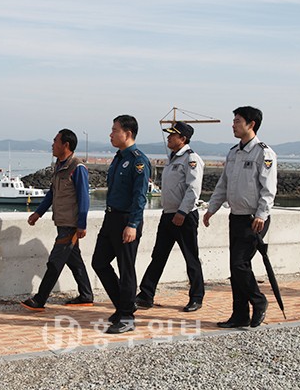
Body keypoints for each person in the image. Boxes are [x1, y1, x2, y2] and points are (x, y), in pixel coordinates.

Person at [203, 106, 277, 328]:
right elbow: (223, 184)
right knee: (235, 268)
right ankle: (240, 315)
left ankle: (259, 300)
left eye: (237, 121)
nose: (233, 125)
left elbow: (269, 189)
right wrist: (212, 208)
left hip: (254, 218)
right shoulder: (234, 152)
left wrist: (261, 214)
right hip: (235, 216)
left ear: (251, 124)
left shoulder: (263, 153)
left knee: (240, 264)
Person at [20, 129, 93, 311]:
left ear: (65, 145)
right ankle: (86, 295)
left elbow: (84, 198)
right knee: (74, 260)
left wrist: (82, 224)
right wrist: (38, 213)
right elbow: (52, 194)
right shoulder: (59, 167)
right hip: (61, 222)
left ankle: (39, 300)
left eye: (55, 141)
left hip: (70, 225)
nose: (52, 145)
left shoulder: (78, 168)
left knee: (55, 262)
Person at [136, 121, 205, 312]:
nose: (168, 137)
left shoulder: (191, 159)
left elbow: (193, 189)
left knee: (191, 258)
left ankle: (196, 297)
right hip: (168, 214)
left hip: (184, 216)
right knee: (158, 256)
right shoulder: (172, 158)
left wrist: (182, 212)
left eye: (172, 135)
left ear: (183, 138)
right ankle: (146, 295)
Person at [92, 115, 151, 334]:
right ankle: (124, 305)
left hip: (127, 220)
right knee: (99, 262)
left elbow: (140, 196)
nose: (111, 134)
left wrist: (133, 224)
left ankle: (127, 317)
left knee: (126, 269)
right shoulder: (118, 158)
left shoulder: (138, 160)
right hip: (111, 218)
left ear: (127, 133)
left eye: (114, 130)